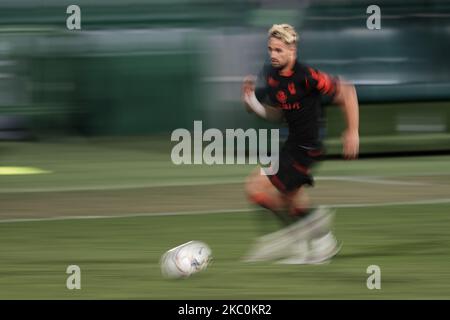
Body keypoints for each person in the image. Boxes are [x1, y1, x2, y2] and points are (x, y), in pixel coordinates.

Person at [242, 24, 359, 264]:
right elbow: (275, 114)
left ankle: (302, 237)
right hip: (292, 144)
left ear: (292, 50)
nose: (273, 55)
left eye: (279, 50)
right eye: (270, 49)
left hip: (308, 148)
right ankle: (319, 242)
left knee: (255, 189)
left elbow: (346, 91)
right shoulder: (271, 74)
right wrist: (251, 101)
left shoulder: (307, 76)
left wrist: (352, 131)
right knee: (291, 201)